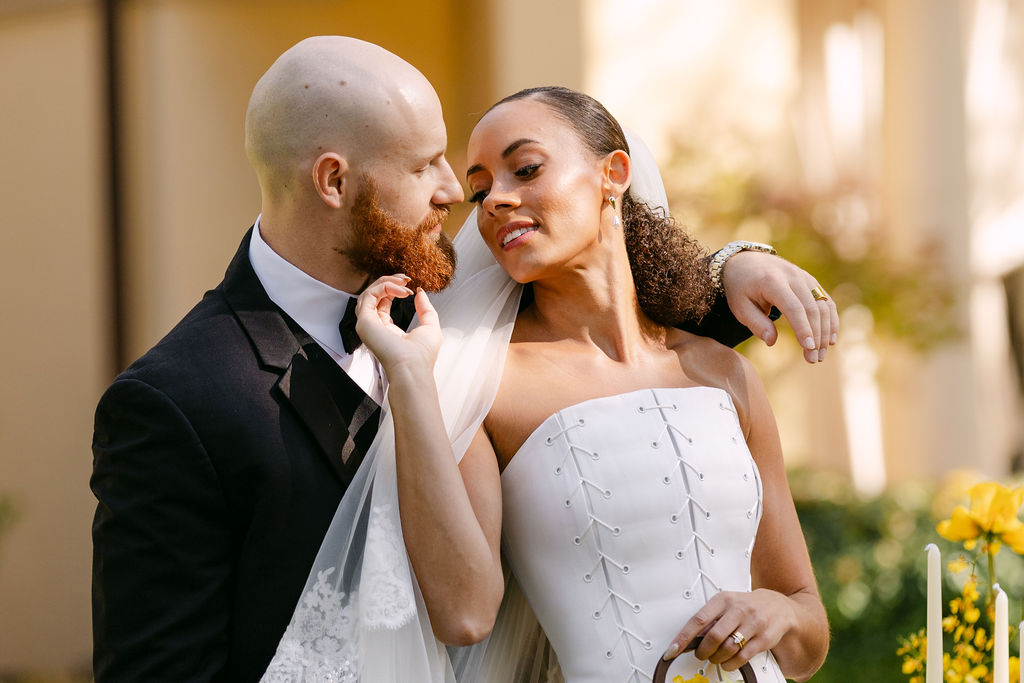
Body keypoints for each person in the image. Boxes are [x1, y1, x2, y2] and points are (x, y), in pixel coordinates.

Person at [92, 36, 832, 682]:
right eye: (429, 168)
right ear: (333, 180)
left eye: (504, 172)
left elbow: (632, 353)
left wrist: (736, 263)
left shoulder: (459, 304)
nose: (461, 196)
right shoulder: (178, 400)